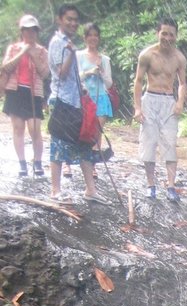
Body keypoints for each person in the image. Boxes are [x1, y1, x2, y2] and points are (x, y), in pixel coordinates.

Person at [48, 4, 108, 204]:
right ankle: (55, 190)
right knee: (58, 144)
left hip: (75, 101)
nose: (73, 23)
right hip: (62, 102)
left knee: (84, 143)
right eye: (69, 19)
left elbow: (73, 77)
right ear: (60, 20)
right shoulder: (58, 43)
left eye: (75, 19)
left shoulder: (68, 43)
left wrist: (83, 90)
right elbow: (60, 74)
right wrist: (72, 54)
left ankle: (91, 190)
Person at [133, 17, 187, 202]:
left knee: (170, 144)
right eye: (164, 33)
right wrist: (138, 108)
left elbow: (182, 83)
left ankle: (171, 186)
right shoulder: (147, 55)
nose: (167, 38)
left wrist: (180, 102)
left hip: (169, 101)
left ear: (176, 36)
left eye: (171, 34)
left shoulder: (179, 57)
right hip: (150, 98)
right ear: (158, 33)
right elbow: (138, 81)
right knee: (149, 143)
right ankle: (151, 185)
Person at [2, 14, 49, 178]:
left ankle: (37, 162)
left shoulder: (42, 51)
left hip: (34, 93)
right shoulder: (14, 48)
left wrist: (34, 56)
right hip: (15, 91)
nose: (30, 34)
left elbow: (44, 73)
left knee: (35, 129)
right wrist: (22, 52)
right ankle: (22, 164)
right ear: (22, 31)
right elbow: (6, 67)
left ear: (37, 32)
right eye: (27, 30)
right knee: (18, 128)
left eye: (33, 30)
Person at [77, 23, 113, 175]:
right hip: (85, 98)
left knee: (96, 132)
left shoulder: (104, 59)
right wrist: (89, 72)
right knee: (81, 131)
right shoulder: (78, 56)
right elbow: (76, 78)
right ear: (85, 38)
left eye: (95, 35)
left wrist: (102, 71)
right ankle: (72, 161)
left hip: (101, 98)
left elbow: (109, 83)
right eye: (90, 35)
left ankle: (92, 165)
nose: (93, 38)